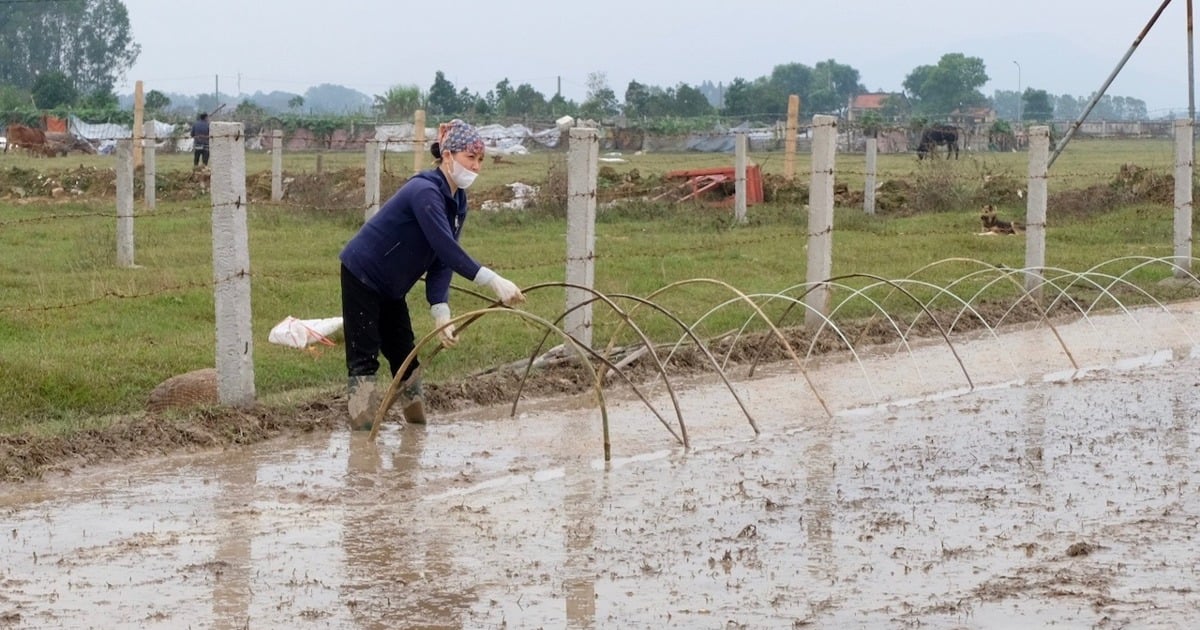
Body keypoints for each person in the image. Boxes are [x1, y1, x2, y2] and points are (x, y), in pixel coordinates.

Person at [338, 119, 525, 431]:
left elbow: (441, 259)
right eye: (470, 158)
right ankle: (362, 441)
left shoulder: (458, 201)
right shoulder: (424, 191)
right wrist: (493, 280)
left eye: (480, 160)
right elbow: (447, 248)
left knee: (406, 355)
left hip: (392, 286)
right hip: (363, 272)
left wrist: (441, 311)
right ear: (448, 156)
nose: (476, 167)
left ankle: (416, 429)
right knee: (364, 356)